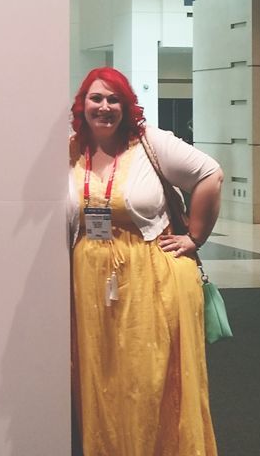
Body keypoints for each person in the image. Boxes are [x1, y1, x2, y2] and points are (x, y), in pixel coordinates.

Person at [69, 68, 223, 456]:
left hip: (151, 278)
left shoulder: (150, 142)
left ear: (126, 106)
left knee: (147, 377)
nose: (104, 107)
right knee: (102, 376)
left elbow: (211, 174)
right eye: (96, 98)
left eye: (114, 99)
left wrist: (195, 236)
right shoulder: (71, 149)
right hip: (89, 279)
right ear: (82, 104)